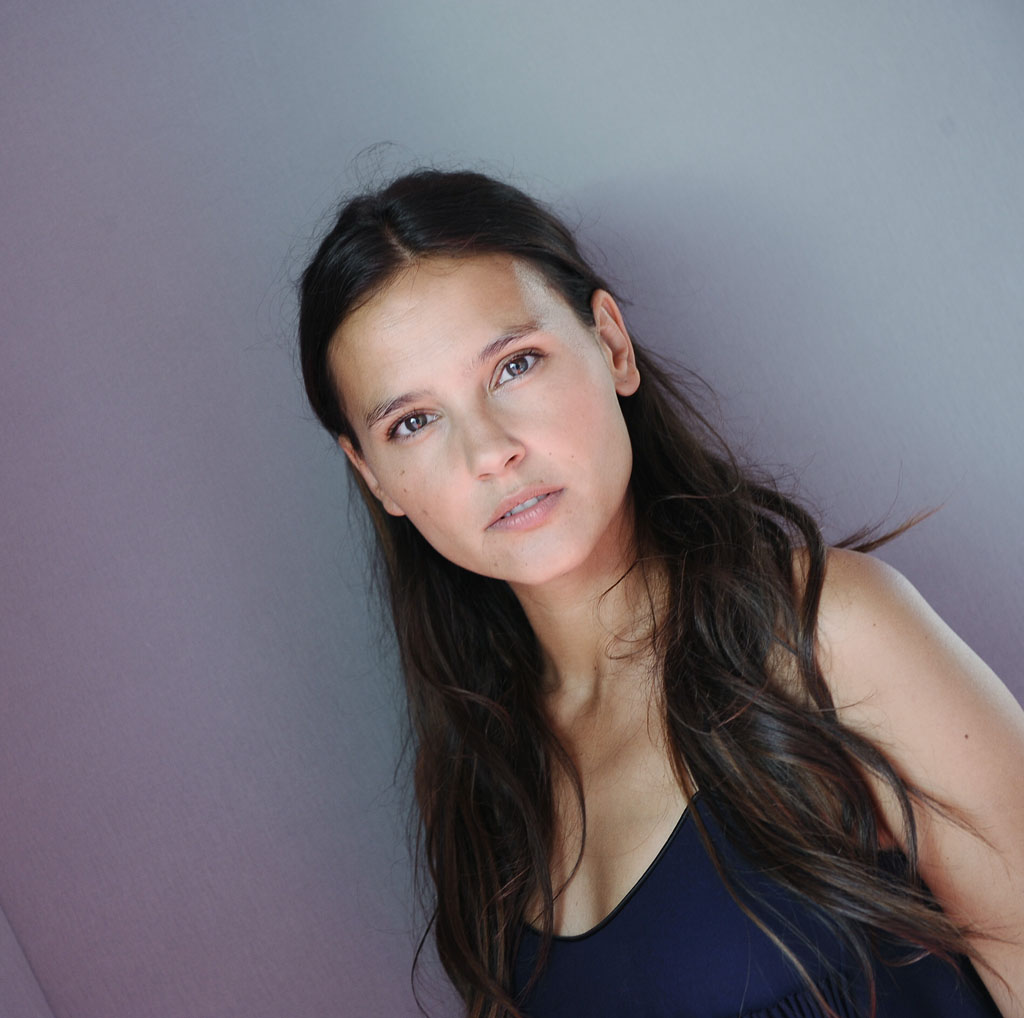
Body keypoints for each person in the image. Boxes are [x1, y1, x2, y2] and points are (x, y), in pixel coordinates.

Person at [296, 168, 1024, 1018]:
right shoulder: (478, 785)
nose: (489, 451)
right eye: (413, 422)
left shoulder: (825, 636)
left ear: (611, 344)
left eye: (514, 365)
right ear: (372, 474)